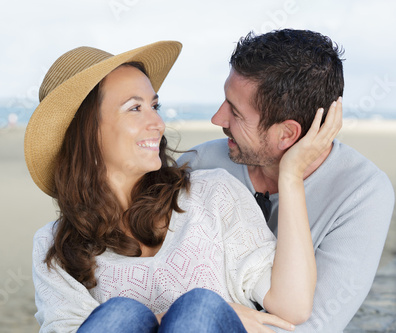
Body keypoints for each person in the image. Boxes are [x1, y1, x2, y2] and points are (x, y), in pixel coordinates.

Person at [25, 41, 341, 333]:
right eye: (135, 108)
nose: (158, 124)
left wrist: (291, 176)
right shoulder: (53, 246)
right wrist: (161, 319)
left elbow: (293, 306)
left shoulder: (212, 194)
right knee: (121, 315)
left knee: (198, 308)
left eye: (154, 106)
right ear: (87, 129)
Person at [178, 29, 395, 332]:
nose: (217, 119)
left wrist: (289, 176)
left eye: (236, 113)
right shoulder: (199, 164)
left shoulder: (363, 194)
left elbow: (313, 326)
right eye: (224, 101)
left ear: (287, 134)